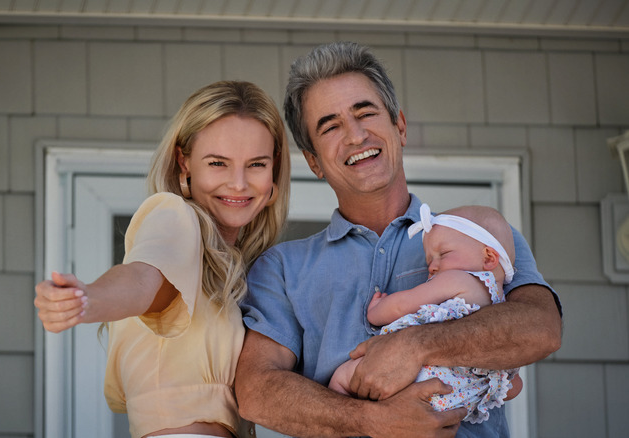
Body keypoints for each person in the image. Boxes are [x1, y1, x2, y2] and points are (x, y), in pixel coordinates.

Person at [235, 41, 562, 438]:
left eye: (365, 112)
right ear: (314, 161)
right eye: (331, 126)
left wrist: (417, 345)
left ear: (400, 126)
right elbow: (256, 391)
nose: (355, 136)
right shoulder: (282, 268)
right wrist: (373, 422)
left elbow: (540, 328)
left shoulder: (479, 237)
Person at [34, 80, 291, 438]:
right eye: (218, 163)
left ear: (274, 167)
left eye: (256, 164)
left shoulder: (233, 266)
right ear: (183, 162)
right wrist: (87, 298)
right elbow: (143, 278)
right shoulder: (175, 218)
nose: (238, 183)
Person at [329, 203, 522, 424]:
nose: (432, 266)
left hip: (427, 376)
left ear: (489, 257)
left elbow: (403, 305)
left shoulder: (458, 279)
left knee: (343, 377)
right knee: (514, 385)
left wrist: (376, 310)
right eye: (430, 259)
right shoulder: (503, 301)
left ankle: (341, 421)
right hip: (462, 395)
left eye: (444, 253)